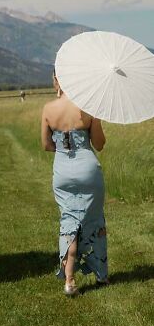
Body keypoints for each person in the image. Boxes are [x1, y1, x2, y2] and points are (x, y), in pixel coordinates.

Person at [42, 75, 107, 296]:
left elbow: (46, 144)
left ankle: (69, 280)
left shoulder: (49, 109)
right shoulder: (88, 107)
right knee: (94, 219)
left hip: (63, 171)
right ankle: (101, 275)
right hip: (88, 168)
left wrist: (63, 149)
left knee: (68, 220)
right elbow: (99, 144)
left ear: (56, 80)